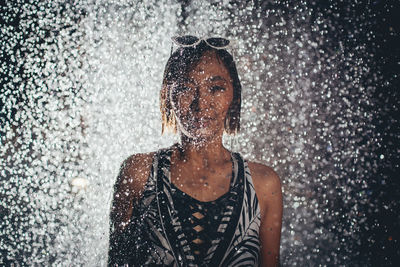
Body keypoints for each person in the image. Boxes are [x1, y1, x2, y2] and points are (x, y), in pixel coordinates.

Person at [108, 36, 283, 266]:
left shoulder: (264, 185)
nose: (201, 103)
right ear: (167, 96)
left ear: (235, 96)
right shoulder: (138, 174)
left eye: (216, 88)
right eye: (185, 88)